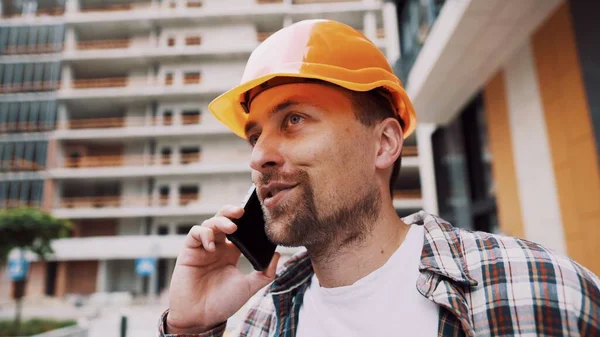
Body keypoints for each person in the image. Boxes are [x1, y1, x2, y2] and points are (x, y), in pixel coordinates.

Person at [158, 19, 600, 337]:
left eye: (293, 119)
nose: (259, 156)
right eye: (254, 136)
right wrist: (188, 327)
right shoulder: (259, 321)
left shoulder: (541, 291)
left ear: (384, 144)